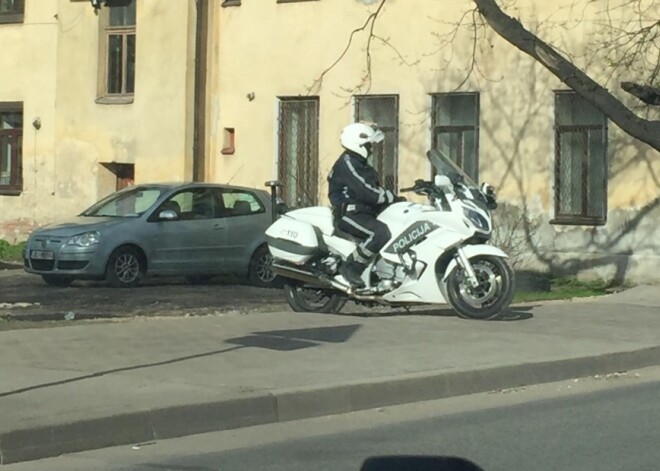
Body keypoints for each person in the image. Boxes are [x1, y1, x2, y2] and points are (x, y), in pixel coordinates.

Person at [327, 122, 400, 288]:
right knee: (380, 233)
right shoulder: (348, 163)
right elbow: (364, 190)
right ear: (358, 144)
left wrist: (394, 199)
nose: (371, 149)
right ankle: (352, 267)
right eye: (368, 145)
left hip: (364, 212)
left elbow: (372, 188)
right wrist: (389, 197)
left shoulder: (359, 164)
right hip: (349, 214)